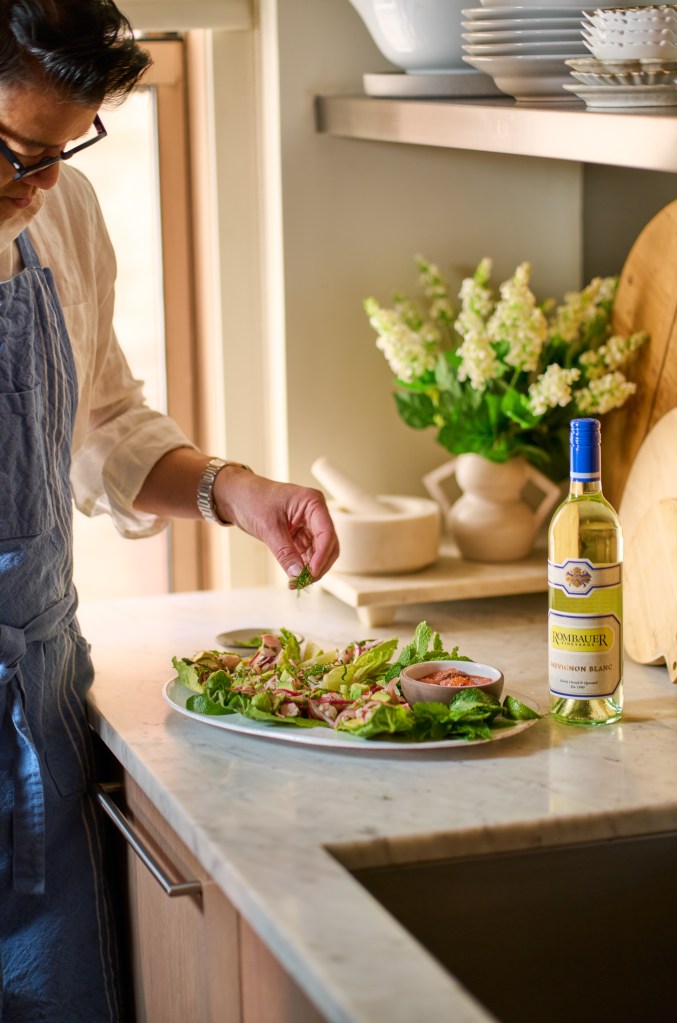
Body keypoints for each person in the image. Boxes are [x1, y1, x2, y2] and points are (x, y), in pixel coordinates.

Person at [0, 1, 339, 1019]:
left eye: (66, 147)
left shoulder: (60, 214)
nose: (45, 180)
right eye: (20, 151)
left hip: (37, 708)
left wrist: (234, 491)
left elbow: (101, 420)